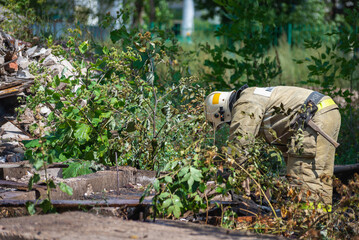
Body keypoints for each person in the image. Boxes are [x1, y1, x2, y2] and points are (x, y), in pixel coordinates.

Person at [205, 85, 341, 205]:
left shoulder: (245, 103)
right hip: (327, 113)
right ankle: (322, 225)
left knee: (303, 181)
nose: (229, 125)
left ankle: (307, 229)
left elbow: (240, 145)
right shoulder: (255, 95)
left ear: (222, 113)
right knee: (321, 177)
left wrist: (230, 177)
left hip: (313, 119)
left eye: (226, 123)